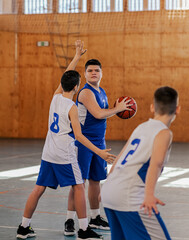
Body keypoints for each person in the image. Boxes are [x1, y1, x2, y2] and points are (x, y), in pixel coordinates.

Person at [16, 40, 116, 240]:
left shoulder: (55, 98)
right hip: (64, 153)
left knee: (38, 189)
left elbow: (65, 78)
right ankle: (84, 230)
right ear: (78, 86)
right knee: (79, 187)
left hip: (48, 152)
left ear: (62, 85)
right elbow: (79, 136)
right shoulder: (71, 107)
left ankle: (23, 227)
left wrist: (77, 56)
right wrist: (100, 153)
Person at [64, 59, 133, 235]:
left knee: (96, 180)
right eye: (90, 71)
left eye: (96, 70)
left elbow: (102, 116)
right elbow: (99, 113)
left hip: (99, 142)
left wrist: (116, 109)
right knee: (79, 183)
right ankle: (69, 219)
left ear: (101, 73)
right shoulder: (86, 93)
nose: (93, 73)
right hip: (83, 142)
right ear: (85, 74)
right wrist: (118, 109)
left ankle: (95, 217)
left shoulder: (101, 91)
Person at [101, 86, 179, 240]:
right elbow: (155, 164)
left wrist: (108, 184)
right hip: (130, 196)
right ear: (178, 109)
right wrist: (149, 195)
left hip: (109, 192)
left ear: (152, 107)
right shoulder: (164, 133)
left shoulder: (141, 127)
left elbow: (119, 159)